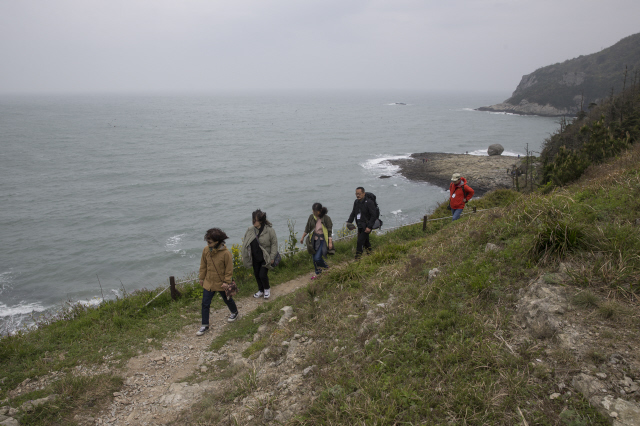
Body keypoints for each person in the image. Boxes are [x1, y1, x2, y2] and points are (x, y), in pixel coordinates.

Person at [197, 228, 238, 336]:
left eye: (209, 242)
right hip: (209, 282)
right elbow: (203, 265)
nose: (207, 243)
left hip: (221, 283)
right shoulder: (206, 250)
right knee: (205, 303)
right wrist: (201, 278)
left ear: (217, 241)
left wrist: (226, 282)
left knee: (227, 300)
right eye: (207, 241)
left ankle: (235, 312)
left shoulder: (226, 254)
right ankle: (204, 325)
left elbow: (229, 270)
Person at [242, 209, 278, 299]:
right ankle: (261, 290)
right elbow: (245, 243)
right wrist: (245, 256)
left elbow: (274, 244)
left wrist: (272, 257)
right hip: (254, 257)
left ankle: (267, 289)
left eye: (256, 220)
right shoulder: (250, 230)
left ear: (261, 220)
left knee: (262, 274)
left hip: (265, 258)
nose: (254, 222)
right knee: (257, 274)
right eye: (253, 219)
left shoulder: (270, 230)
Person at [300, 203, 333, 277]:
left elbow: (329, 231)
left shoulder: (326, 218)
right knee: (314, 259)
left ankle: (326, 267)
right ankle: (319, 274)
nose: (314, 213)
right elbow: (307, 228)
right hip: (313, 240)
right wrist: (302, 237)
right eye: (313, 211)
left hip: (322, 240)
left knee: (317, 258)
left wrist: (330, 242)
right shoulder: (311, 217)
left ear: (320, 210)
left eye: (316, 211)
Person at [346, 187, 379, 259]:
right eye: (356, 194)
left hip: (366, 226)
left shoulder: (369, 202)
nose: (358, 195)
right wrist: (349, 222)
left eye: (359, 194)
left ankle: (357, 259)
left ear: (364, 193)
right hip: (360, 225)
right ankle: (371, 255)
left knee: (360, 241)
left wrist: (369, 227)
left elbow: (373, 216)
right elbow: (353, 213)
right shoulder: (356, 202)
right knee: (366, 242)